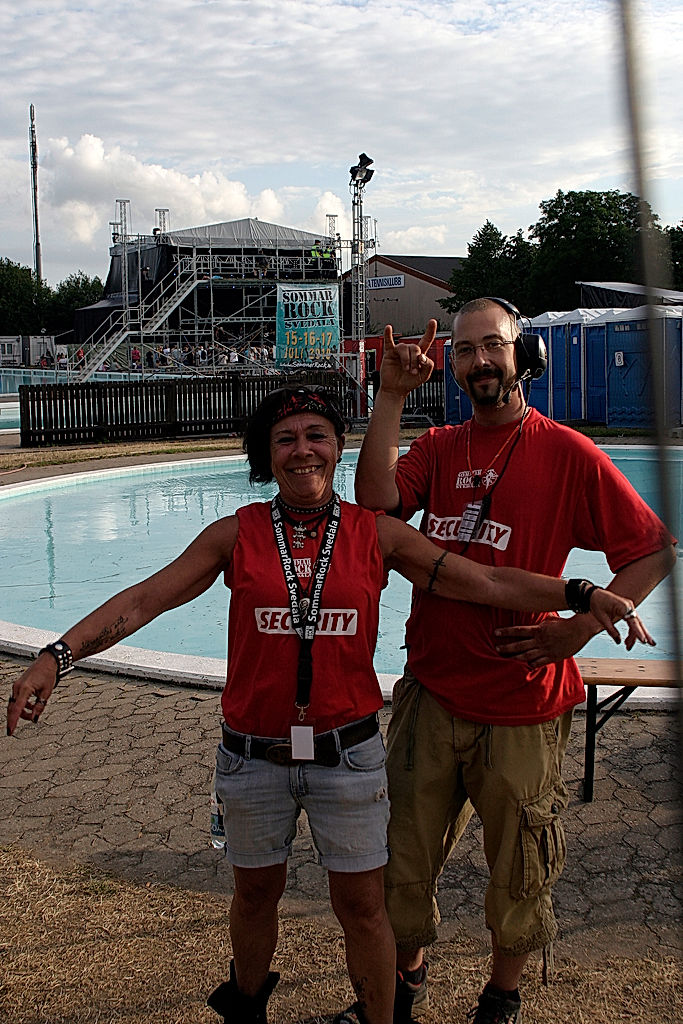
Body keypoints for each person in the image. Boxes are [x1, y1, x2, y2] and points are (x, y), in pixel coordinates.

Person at [6, 386, 649, 1024]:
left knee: (364, 904)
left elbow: (482, 579)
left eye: (317, 436)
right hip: (253, 755)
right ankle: (247, 1008)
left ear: (338, 448)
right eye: (285, 439)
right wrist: (57, 656)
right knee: (255, 894)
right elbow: (147, 599)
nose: (302, 451)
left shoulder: (379, 534)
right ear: (266, 456)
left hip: (348, 756)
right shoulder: (237, 535)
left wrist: (579, 592)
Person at [354, 299, 676, 1024]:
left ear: (519, 353)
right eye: (463, 351)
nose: (478, 362)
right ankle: (406, 981)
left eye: (490, 346)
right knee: (400, 856)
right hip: (431, 692)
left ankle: (500, 996)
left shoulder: (566, 453)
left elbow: (651, 550)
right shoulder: (437, 448)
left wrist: (575, 632)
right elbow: (374, 502)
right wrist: (390, 395)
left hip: (525, 702)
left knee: (522, 868)